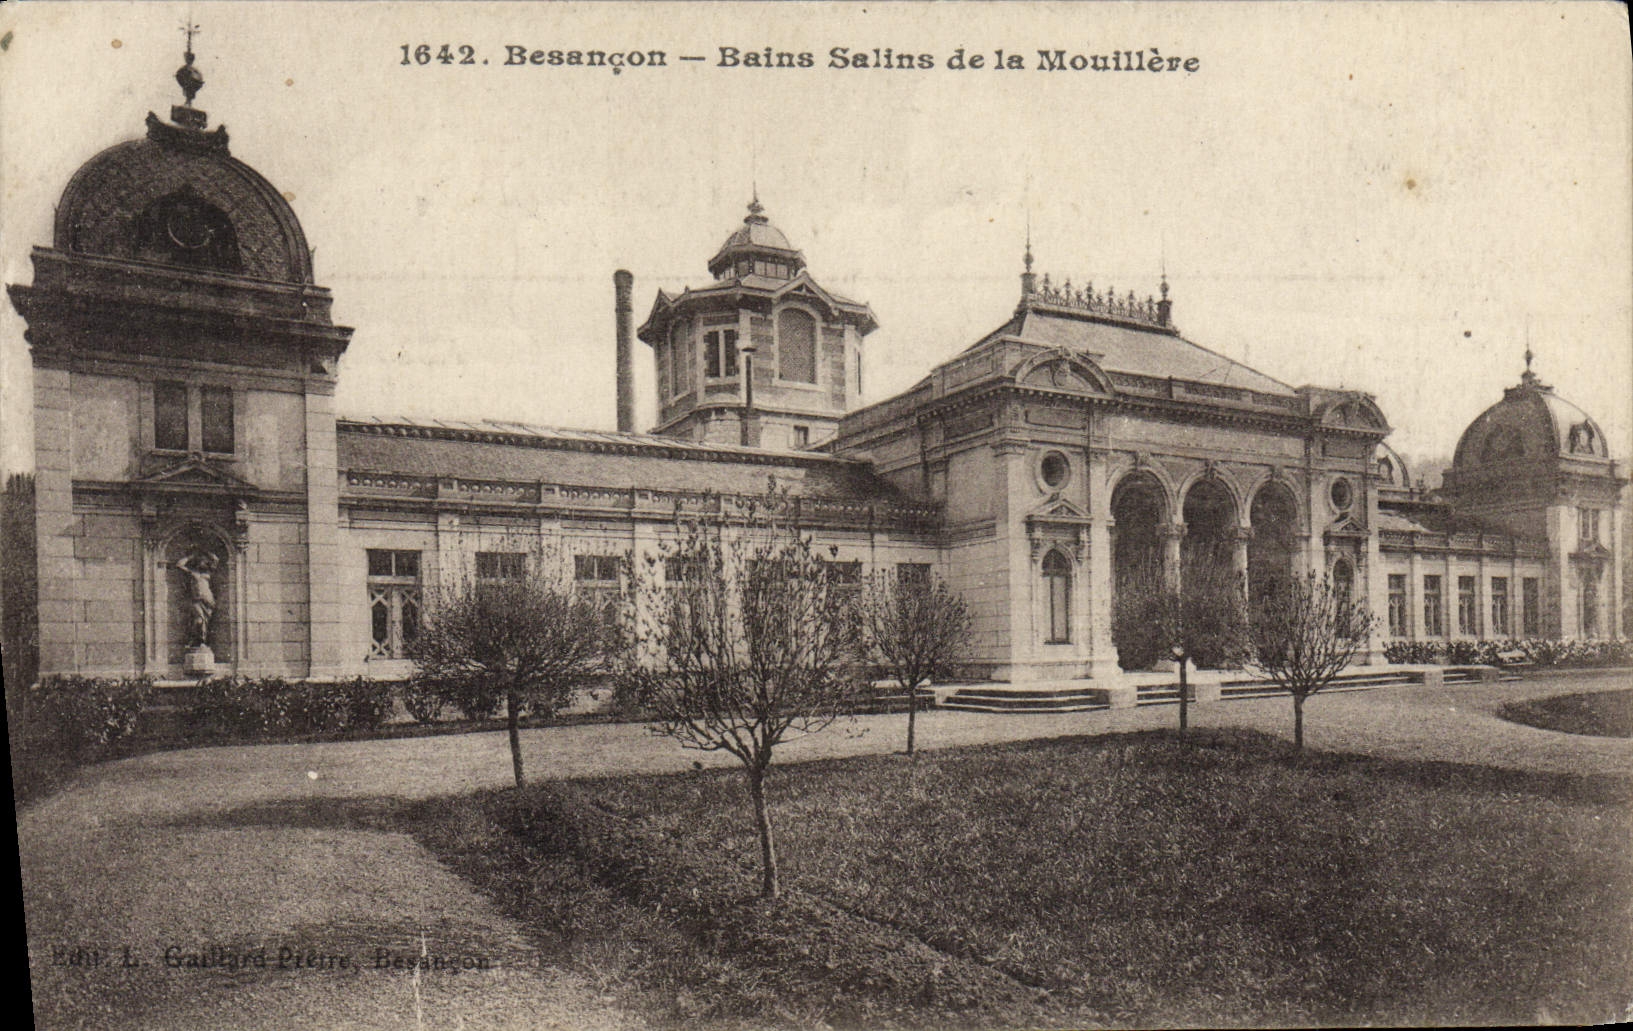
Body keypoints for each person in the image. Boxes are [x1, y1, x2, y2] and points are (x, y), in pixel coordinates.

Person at [176, 548, 218, 647]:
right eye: (200, 561)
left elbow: (216, 560)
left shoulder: (208, 573)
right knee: (199, 620)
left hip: (208, 599)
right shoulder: (192, 572)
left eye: (204, 561)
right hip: (197, 599)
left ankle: (203, 641)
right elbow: (179, 565)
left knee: (205, 621)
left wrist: (206, 551)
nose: (202, 563)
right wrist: (190, 557)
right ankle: (198, 641)